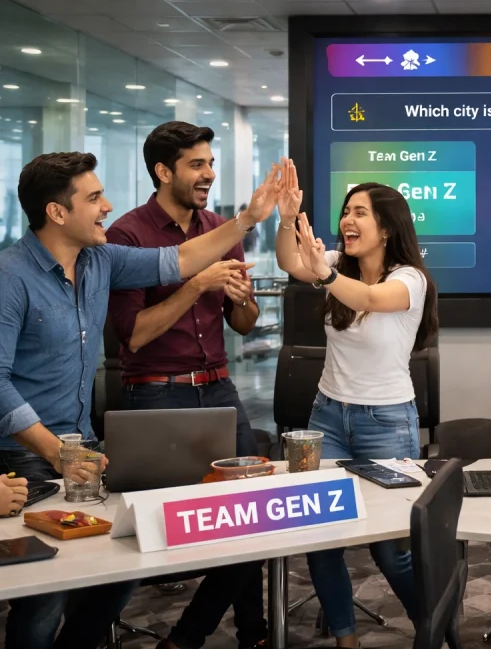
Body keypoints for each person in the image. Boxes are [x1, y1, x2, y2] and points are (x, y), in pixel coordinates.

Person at [0, 151, 280, 649]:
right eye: (93, 197)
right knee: (43, 593)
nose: (107, 206)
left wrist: (248, 219)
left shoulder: (100, 260)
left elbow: (181, 259)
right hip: (28, 455)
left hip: (80, 446)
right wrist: (54, 453)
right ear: (57, 212)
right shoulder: (10, 277)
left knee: (123, 563)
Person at [105, 122, 268, 649]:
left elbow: (243, 323)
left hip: (219, 389)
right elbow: (133, 335)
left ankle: (238, 633)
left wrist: (240, 297)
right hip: (156, 393)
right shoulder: (128, 236)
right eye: (197, 165)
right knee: (150, 532)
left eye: (210, 164)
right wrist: (195, 283)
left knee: (252, 520)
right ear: (163, 171)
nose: (209, 175)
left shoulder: (220, 228)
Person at [275, 179, 438, 648]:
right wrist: (288, 218)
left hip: (386, 422)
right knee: (322, 538)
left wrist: (323, 273)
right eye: (346, 211)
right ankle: (346, 639)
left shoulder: (409, 279)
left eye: (360, 212)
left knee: (391, 551)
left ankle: (433, 629)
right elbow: (290, 261)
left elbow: (367, 300)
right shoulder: (334, 265)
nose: (348, 220)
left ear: (387, 227)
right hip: (327, 416)